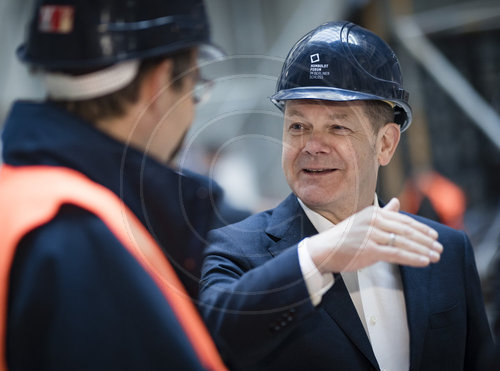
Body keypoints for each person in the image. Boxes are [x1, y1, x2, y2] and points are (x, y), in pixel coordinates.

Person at [199, 21, 492, 371]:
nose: (311, 146)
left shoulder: (446, 252)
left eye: (337, 127)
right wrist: (318, 258)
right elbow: (210, 338)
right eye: (297, 126)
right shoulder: (234, 251)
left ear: (385, 144)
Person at [0, 0, 229, 369]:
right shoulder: (83, 236)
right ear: (161, 82)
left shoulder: (20, 195)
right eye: (195, 87)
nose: (192, 109)